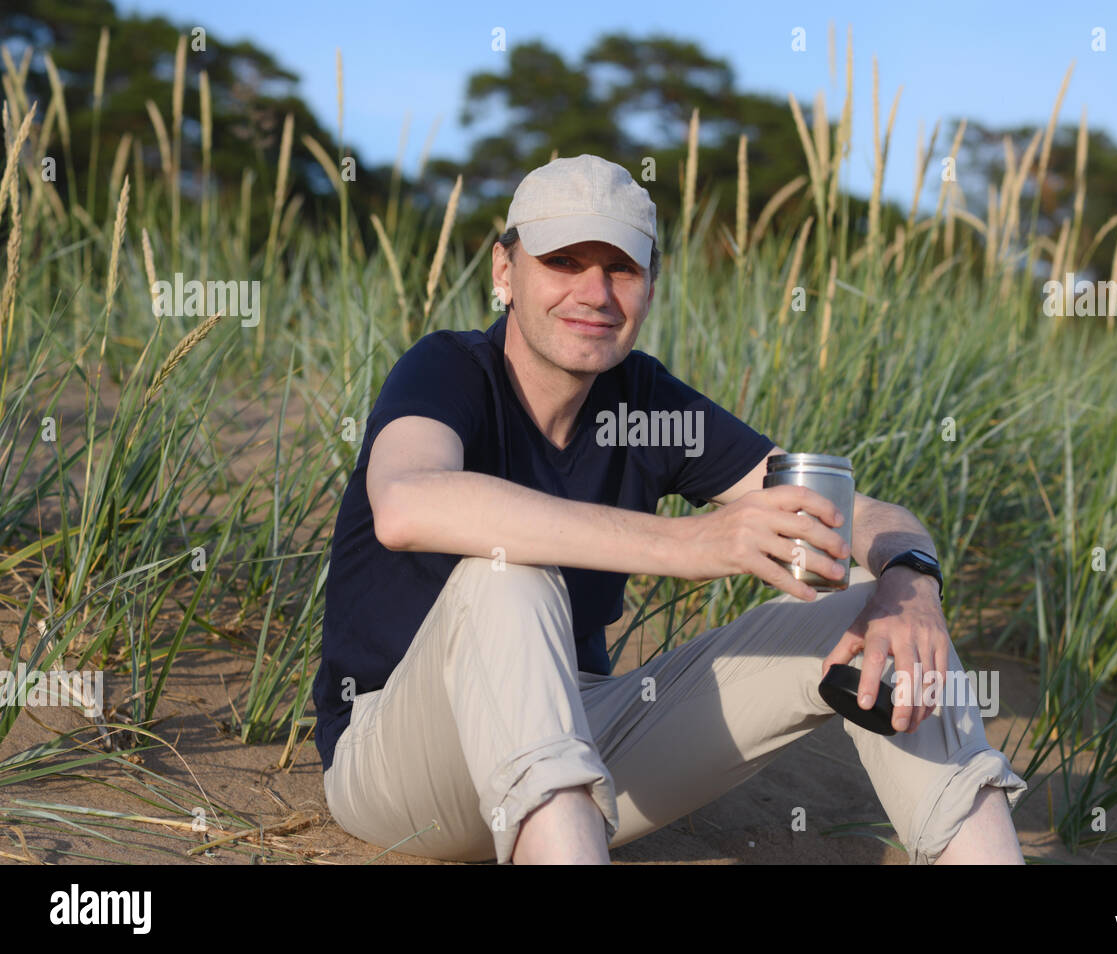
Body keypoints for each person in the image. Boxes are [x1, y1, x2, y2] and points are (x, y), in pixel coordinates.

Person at [311, 153, 1027, 864]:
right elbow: (406, 502)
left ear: (652, 284)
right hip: (400, 759)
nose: (594, 293)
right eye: (563, 261)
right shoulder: (448, 369)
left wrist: (912, 578)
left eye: (620, 268)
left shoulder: (647, 402)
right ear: (505, 271)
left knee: (878, 609)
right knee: (507, 572)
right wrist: (690, 543)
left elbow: (856, 512)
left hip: (579, 737)